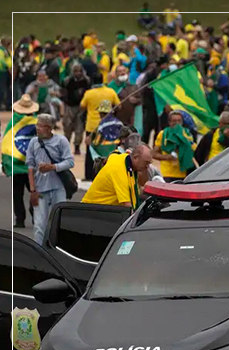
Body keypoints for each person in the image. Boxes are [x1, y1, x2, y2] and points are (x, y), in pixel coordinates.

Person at [26, 114, 75, 245]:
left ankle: (58, 249)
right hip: (40, 190)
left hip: (59, 188)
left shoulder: (61, 141)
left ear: (49, 128)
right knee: (39, 224)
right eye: (37, 125)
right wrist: (32, 190)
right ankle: (39, 252)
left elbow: (70, 162)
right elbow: (30, 167)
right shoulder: (33, 142)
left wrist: (53, 167)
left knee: (59, 221)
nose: (37, 128)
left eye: (40, 126)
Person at [2, 95, 38, 228]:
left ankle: (20, 219)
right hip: (33, 166)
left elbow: (6, 144)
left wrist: (5, 164)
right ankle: (36, 216)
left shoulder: (13, 123)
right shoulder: (36, 121)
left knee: (17, 194)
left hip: (16, 165)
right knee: (34, 191)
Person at [81, 143, 152, 209]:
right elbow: (127, 205)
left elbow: (141, 185)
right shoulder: (120, 169)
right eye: (146, 162)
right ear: (135, 158)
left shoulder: (128, 163)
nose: (147, 167)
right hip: (91, 210)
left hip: (106, 210)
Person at [80, 73, 120, 154]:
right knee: (107, 149)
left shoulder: (89, 93)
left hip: (92, 126)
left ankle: (90, 166)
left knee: (91, 151)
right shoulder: (111, 92)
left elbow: (82, 106)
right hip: (109, 125)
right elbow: (119, 106)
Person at [152, 110, 196, 182]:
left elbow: (193, 151)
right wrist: (167, 157)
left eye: (179, 121)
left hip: (183, 173)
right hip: (167, 173)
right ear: (169, 122)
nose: (177, 123)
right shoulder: (163, 134)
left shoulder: (187, 134)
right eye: (174, 121)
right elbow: (153, 154)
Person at [60, 64, 91, 154]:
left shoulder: (87, 81)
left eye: (79, 71)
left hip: (81, 107)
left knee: (79, 128)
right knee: (67, 126)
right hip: (69, 107)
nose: (78, 73)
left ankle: (77, 146)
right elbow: (63, 92)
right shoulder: (67, 81)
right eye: (75, 71)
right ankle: (65, 147)